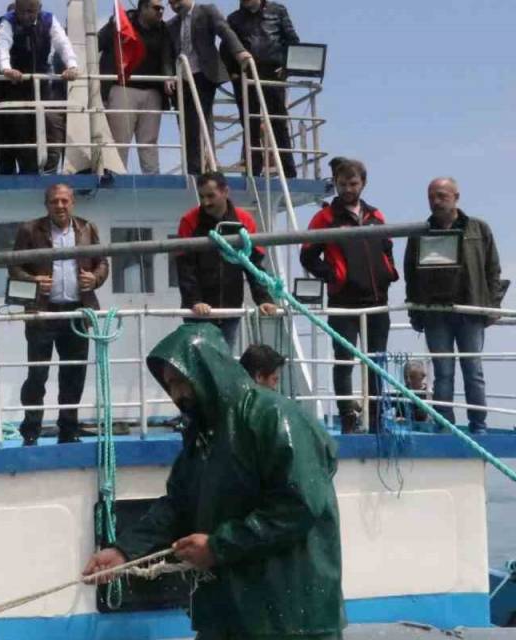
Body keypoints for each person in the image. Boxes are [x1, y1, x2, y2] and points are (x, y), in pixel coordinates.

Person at [84, 323, 344, 640]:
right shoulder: (203, 435)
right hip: (230, 613)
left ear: (209, 370)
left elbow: (299, 505)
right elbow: (178, 505)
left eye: (181, 381)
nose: (176, 394)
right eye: (170, 386)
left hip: (290, 618)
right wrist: (124, 551)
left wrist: (219, 546)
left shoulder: (273, 416)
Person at [300, 157, 397, 433]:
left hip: (378, 302)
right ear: (336, 184)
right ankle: (348, 419)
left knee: (377, 361)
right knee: (344, 360)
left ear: (363, 183)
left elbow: (386, 248)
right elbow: (308, 255)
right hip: (343, 302)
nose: (348, 189)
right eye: (342, 184)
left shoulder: (376, 216)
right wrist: (332, 275)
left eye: (353, 183)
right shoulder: (325, 218)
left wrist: (389, 273)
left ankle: (377, 419)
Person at [9, 183, 110, 445]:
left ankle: (69, 430)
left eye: (65, 201)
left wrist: (95, 279)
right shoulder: (29, 230)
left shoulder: (88, 228)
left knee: (73, 376)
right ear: (46, 205)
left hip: (78, 312)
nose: (60, 206)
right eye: (55, 201)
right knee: (38, 375)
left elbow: (103, 263)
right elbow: (14, 267)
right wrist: (33, 280)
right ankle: (31, 431)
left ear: (73, 203)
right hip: (42, 313)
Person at [405, 177, 503, 435]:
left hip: (471, 311)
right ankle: (444, 425)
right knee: (443, 373)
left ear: (456, 197)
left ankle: (478, 426)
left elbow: (493, 270)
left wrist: (492, 306)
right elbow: (411, 276)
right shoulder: (420, 233)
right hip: (435, 313)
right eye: (431, 197)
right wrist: (415, 312)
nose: (435, 202)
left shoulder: (479, 229)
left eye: (441, 196)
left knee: (473, 372)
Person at [174, 171, 277, 349]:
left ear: (225, 192)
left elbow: (254, 266)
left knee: (224, 361)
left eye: (210, 196)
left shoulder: (244, 221)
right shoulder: (189, 221)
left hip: (230, 309)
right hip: (197, 312)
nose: (205, 202)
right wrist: (195, 301)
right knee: (200, 363)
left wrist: (264, 299)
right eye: (202, 196)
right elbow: (185, 268)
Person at [0, 0, 79, 175]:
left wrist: (71, 65)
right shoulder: (7, 22)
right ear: (16, 8)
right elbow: (2, 46)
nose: (27, 16)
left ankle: (50, 171)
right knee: (21, 130)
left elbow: (62, 43)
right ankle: (28, 173)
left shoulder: (49, 20)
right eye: (23, 11)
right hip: (16, 85)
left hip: (43, 85)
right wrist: (6, 68)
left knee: (52, 125)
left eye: (31, 11)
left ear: (39, 9)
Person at [166, 0, 250, 174]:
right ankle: (201, 163)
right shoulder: (172, 24)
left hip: (204, 74)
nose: (174, 5)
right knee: (187, 124)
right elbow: (167, 54)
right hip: (182, 79)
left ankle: (197, 169)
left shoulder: (207, 11)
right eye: (170, 3)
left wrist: (239, 52)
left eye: (176, 0)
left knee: (198, 120)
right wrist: (168, 76)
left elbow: (225, 31)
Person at [98, 0, 173, 174]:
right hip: (123, 89)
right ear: (143, 8)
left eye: (162, 8)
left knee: (149, 142)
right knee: (120, 141)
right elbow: (98, 43)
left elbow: (167, 57)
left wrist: (168, 76)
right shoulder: (119, 23)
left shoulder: (163, 30)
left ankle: (153, 180)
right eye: (156, 8)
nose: (161, 12)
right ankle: (116, 177)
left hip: (152, 92)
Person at [227, 0, 300, 178]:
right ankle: (253, 170)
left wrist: (286, 66)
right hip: (246, 75)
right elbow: (226, 47)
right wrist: (233, 73)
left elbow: (292, 41)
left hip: (272, 73)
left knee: (278, 122)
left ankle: (288, 170)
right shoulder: (234, 19)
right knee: (249, 123)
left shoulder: (278, 11)